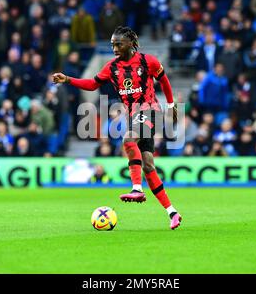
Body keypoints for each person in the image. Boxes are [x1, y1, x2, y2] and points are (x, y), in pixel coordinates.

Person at [53, 26, 182, 230]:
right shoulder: (111, 67)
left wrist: (171, 104)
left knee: (128, 139)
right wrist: (68, 79)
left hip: (151, 110)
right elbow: (92, 84)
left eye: (118, 44)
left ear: (130, 43)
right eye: (112, 44)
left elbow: (164, 80)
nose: (114, 48)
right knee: (148, 165)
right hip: (134, 116)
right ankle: (172, 212)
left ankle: (137, 189)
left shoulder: (148, 61)